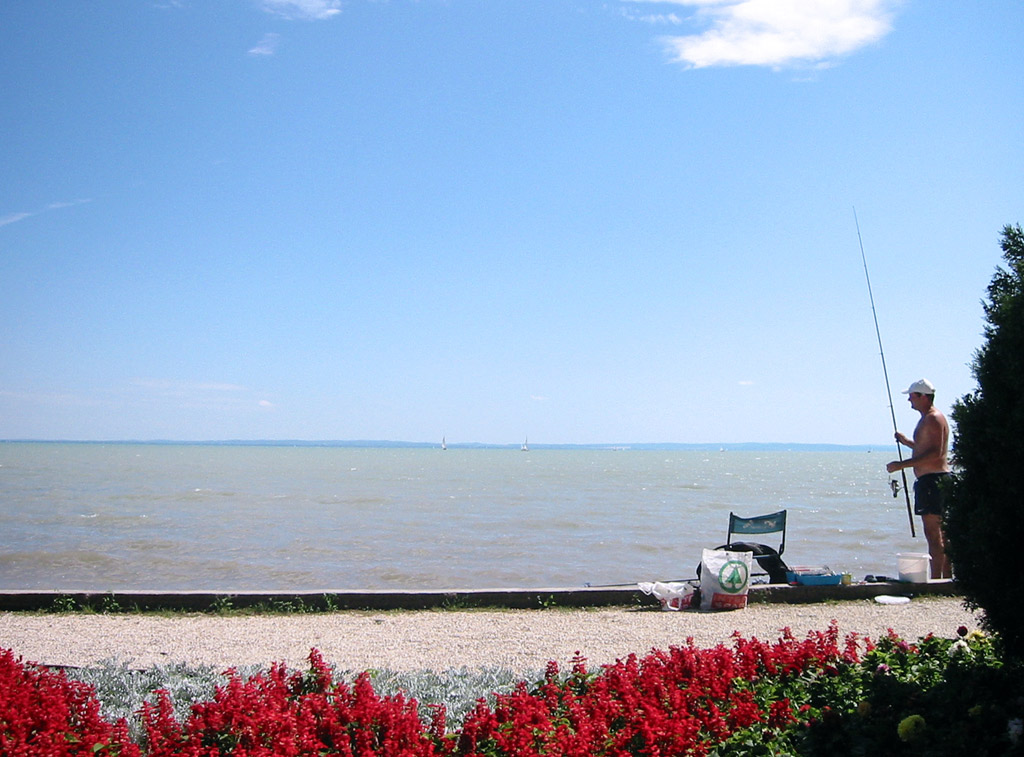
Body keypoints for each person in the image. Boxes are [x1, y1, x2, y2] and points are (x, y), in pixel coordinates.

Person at [887, 378, 953, 579]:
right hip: (931, 481)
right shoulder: (928, 418)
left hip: (933, 481)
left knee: (935, 535)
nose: (909, 400)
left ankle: (937, 581)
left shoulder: (933, 418)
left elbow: (936, 454)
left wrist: (901, 465)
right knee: (940, 534)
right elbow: (925, 448)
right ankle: (945, 579)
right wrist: (907, 442)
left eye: (912, 396)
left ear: (923, 397)